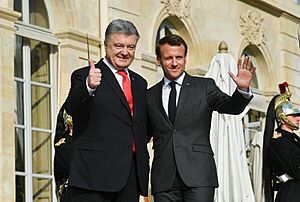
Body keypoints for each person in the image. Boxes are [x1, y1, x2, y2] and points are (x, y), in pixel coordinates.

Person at [146, 34, 255, 202]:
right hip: (164, 179)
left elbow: (231, 107)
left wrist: (242, 90)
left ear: (186, 58)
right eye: (168, 58)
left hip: (199, 177)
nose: (174, 63)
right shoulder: (149, 95)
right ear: (158, 60)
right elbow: (142, 134)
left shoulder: (204, 86)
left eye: (179, 57)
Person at [63, 19, 149, 202]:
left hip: (129, 178)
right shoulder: (85, 75)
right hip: (93, 177)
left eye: (131, 47)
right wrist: (88, 86)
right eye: (118, 45)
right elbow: (71, 107)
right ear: (106, 45)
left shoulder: (140, 83)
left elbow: (140, 126)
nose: (125, 52)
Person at [262, 82, 300, 202]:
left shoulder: (295, 139)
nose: (298, 118)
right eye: (293, 115)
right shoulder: (279, 142)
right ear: (282, 118)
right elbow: (295, 170)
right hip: (291, 194)